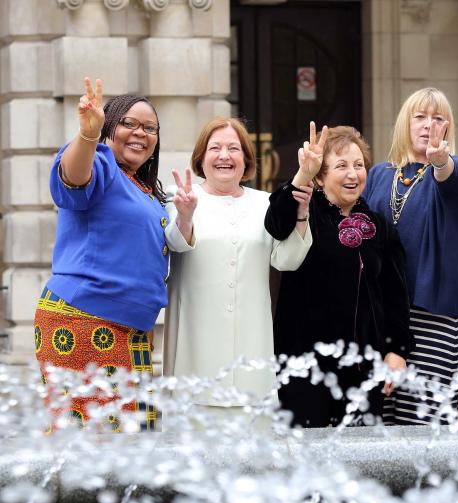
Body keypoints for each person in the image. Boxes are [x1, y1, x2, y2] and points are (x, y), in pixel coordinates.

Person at [34, 78, 180, 431]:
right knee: (91, 445)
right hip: (84, 319)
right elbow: (73, 177)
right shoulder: (100, 164)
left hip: (131, 331)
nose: (139, 133)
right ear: (110, 129)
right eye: (129, 123)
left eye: (149, 128)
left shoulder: (145, 188)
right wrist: (87, 134)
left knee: (135, 439)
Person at [163, 117, 312, 413]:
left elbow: (287, 260)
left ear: (246, 159)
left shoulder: (265, 203)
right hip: (196, 353)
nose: (224, 156)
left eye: (233, 148)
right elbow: (176, 243)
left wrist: (301, 215)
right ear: (201, 158)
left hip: (252, 353)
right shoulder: (179, 197)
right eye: (215, 148)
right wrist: (186, 216)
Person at [265, 124, 411, 428]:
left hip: (364, 367)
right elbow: (276, 223)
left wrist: (396, 350)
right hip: (306, 367)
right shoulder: (304, 212)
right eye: (341, 166)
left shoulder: (379, 226)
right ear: (320, 175)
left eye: (359, 166)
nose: (352, 174)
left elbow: (395, 296)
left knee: (362, 463)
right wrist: (301, 175)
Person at [363, 88, 458, 425]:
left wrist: (441, 161)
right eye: (420, 117)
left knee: (425, 424)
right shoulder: (379, 174)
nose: (428, 126)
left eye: (438, 119)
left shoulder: (455, 170)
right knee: (381, 421)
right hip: (384, 315)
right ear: (405, 123)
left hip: (433, 316)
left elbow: (449, 179)